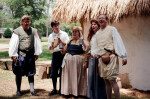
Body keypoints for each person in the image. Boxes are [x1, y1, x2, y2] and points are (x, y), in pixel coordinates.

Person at [94, 14, 127, 99]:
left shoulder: (112, 30)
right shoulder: (97, 33)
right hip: (102, 59)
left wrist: (124, 56)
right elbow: (96, 47)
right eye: (99, 18)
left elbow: (118, 42)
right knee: (106, 82)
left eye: (102, 18)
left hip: (111, 57)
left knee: (112, 81)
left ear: (106, 20)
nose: (101, 20)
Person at [9, 15, 42, 96]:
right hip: (20, 55)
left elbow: (37, 42)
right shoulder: (17, 31)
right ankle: (18, 90)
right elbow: (13, 44)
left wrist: (36, 53)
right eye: (25, 22)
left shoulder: (34, 31)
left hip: (30, 55)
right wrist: (13, 54)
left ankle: (32, 90)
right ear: (22, 22)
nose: (27, 23)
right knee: (19, 72)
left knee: (31, 73)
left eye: (28, 21)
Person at [60, 26, 88, 97]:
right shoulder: (69, 41)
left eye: (76, 32)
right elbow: (64, 51)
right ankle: (68, 92)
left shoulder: (81, 41)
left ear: (79, 33)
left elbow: (86, 51)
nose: (74, 33)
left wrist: (85, 61)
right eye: (73, 32)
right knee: (68, 77)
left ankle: (78, 92)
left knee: (77, 76)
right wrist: (60, 45)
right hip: (68, 63)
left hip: (78, 63)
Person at [48, 21, 69, 95]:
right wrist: (52, 46)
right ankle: (54, 89)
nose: (57, 27)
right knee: (53, 72)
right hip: (55, 54)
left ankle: (61, 89)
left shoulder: (64, 34)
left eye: (57, 25)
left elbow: (67, 44)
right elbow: (49, 48)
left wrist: (61, 42)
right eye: (55, 26)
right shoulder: (51, 36)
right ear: (52, 27)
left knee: (62, 72)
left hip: (62, 54)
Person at [86, 20, 106, 99]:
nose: (93, 26)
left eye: (95, 24)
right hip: (91, 60)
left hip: (98, 59)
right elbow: (92, 47)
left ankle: (99, 96)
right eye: (92, 24)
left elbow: (101, 48)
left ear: (98, 25)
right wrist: (89, 53)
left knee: (99, 79)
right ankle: (91, 95)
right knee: (91, 78)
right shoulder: (92, 35)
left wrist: (93, 54)